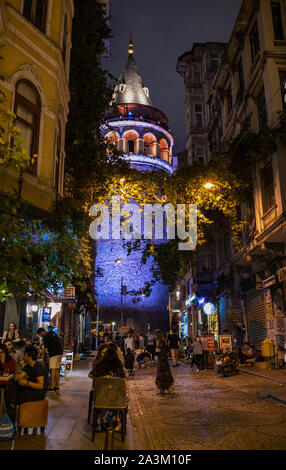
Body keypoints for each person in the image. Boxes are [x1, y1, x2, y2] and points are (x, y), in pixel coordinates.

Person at [5, 346, 49, 420]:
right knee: (12, 384)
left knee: (20, 395)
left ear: (28, 356)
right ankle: (11, 409)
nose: (22, 356)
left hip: (39, 393)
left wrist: (27, 383)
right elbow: (17, 378)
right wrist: (17, 366)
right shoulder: (28, 366)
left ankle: (12, 414)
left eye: (24, 354)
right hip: (30, 389)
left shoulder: (38, 367)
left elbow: (41, 386)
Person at [92, 347, 127, 431]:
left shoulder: (99, 366)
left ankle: (103, 419)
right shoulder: (119, 368)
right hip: (117, 401)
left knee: (110, 396)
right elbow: (124, 378)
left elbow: (92, 376)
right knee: (123, 398)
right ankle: (119, 422)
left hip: (100, 399)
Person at [37, 327, 63, 392]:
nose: (40, 336)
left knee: (52, 370)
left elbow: (45, 350)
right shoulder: (52, 332)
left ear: (41, 332)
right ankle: (57, 386)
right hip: (60, 353)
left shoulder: (45, 337)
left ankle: (52, 386)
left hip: (53, 354)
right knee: (57, 369)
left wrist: (39, 351)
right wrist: (41, 344)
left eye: (40, 335)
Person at [154, 329, 174, 395]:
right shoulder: (159, 341)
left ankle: (165, 389)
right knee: (162, 374)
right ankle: (163, 389)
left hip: (163, 360)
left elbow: (166, 350)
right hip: (161, 360)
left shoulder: (162, 341)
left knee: (163, 374)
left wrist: (160, 352)